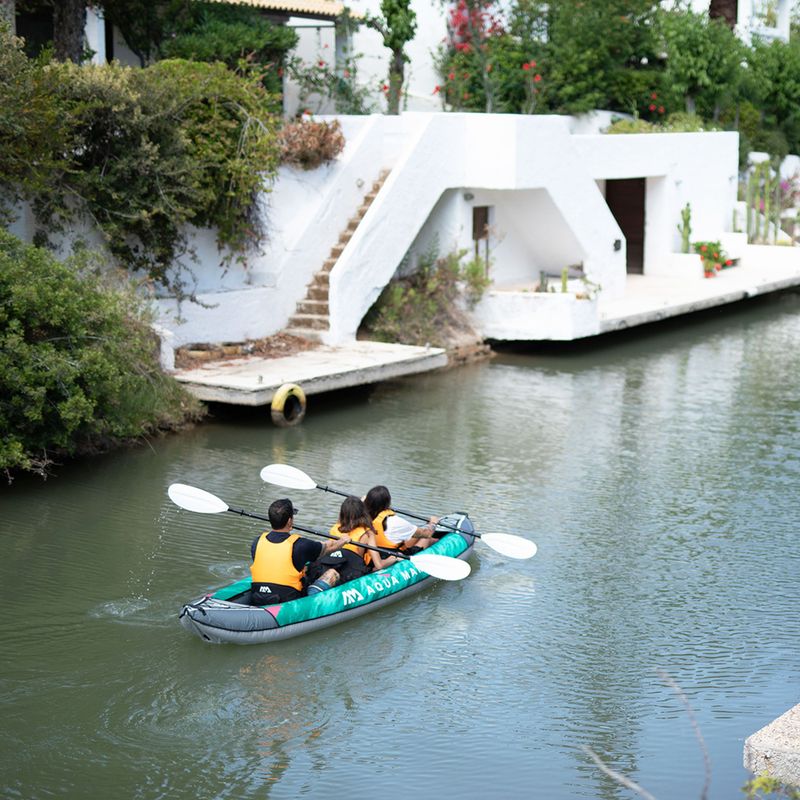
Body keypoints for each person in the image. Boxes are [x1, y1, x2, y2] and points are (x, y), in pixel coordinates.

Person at [250, 498, 348, 605]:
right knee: (332, 574)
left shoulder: (257, 542)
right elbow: (327, 548)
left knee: (303, 568)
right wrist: (343, 541)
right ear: (289, 521)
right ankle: (313, 596)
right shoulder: (301, 545)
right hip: (288, 601)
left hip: (257, 596)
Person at [305, 496, 397, 594]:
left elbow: (349, 512)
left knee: (328, 572)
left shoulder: (336, 527)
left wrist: (361, 501)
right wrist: (393, 558)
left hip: (328, 563)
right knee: (372, 569)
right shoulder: (367, 533)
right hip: (350, 570)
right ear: (363, 512)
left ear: (342, 513)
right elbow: (379, 565)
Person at [364, 485, 439, 555]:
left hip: (371, 555)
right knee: (427, 539)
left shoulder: (361, 517)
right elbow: (427, 534)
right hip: (390, 557)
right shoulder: (395, 521)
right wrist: (433, 523)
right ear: (388, 503)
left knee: (413, 535)